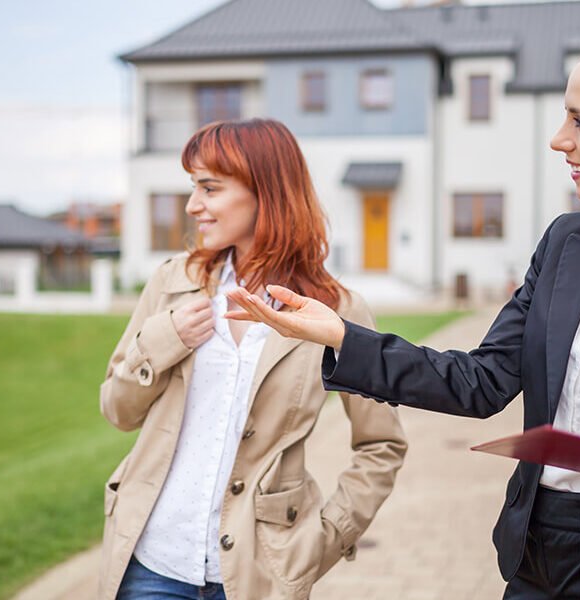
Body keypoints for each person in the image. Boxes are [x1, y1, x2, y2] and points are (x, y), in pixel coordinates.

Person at [227, 23, 580, 600]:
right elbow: (482, 381)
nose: (559, 140)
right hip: (536, 562)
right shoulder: (566, 246)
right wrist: (342, 338)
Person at [98, 118, 407, 600]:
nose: (192, 205)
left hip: (259, 576)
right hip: (151, 564)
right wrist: (163, 340)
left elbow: (381, 443)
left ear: (265, 192)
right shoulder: (170, 282)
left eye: (209, 188)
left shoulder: (337, 312)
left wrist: (325, 538)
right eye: (193, 187)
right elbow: (118, 411)